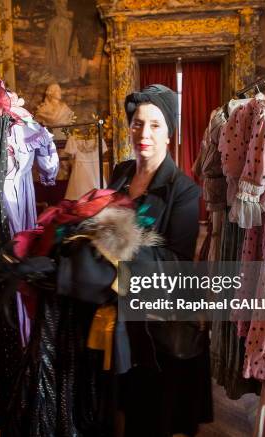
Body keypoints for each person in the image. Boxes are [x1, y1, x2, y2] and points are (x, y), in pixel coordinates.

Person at [107, 84, 212, 436]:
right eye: (137, 124)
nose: (144, 134)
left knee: (148, 411)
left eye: (154, 125)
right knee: (118, 402)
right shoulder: (120, 174)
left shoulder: (183, 190)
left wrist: (116, 246)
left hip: (155, 316)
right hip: (115, 303)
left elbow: (176, 263)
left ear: (170, 134)